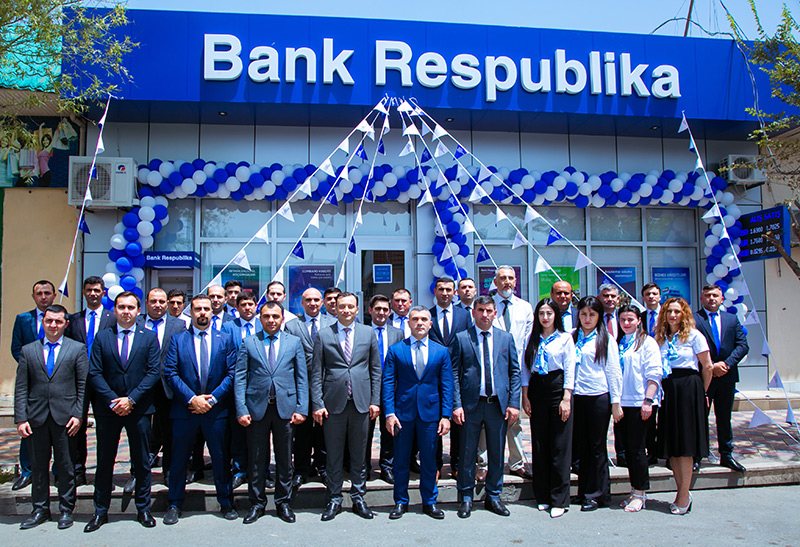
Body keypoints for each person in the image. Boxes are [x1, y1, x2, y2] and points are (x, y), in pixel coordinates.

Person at [85, 291, 161, 532]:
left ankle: (143, 509)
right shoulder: (102, 337)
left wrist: (131, 400)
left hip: (139, 409)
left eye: (130, 307)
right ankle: (100, 511)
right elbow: (95, 372)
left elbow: (153, 372)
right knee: (105, 460)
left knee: (141, 461)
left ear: (138, 311)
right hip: (108, 410)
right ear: (114, 310)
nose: (126, 311)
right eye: (121, 307)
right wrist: (113, 401)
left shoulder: (149, 337)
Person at [162, 294, 238, 524]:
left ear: (212, 312)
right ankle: (174, 504)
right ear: (191, 312)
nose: (203, 312)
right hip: (185, 411)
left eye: (206, 309)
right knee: (179, 460)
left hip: (216, 412)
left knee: (221, 459)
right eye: (198, 309)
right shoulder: (178, 340)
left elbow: (231, 373)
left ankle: (226, 502)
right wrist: (192, 399)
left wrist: (212, 400)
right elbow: (170, 373)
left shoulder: (225, 339)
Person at [14, 304, 88, 530]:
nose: (53, 325)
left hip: (66, 418)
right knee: (38, 467)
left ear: (66, 324)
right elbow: (21, 387)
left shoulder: (77, 349)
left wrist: (78, 415)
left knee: (65, 466)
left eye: (58, 321)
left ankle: (66, 509)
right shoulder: (29, 350)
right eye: (49, 321)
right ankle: (40, 509)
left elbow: (83, 385)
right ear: (43, 322)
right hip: (36, 418)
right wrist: (21, 418)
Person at [310, 292, 381, 521]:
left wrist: (375, 401)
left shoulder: (368, 333)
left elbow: (375, 369)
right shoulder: (324, 334)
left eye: (351, 306)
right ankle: (334, 498)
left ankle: (359, 497)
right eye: (342, 306)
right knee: (333, 454)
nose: (346, 310)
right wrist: (317, 403)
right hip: (333, 404)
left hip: (361, 404)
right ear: (335, 308)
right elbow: (317, 372)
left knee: (360, 454)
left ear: (357, 309)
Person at [235, 301, 308, 524]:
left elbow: (301, 377)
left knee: (285, 458)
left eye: (275, 316)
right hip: (256, 409)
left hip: (286, 408)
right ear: (260, 318)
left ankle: (283, 502)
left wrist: (302, 408)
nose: (271, 320)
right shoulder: (249, 342)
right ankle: (257, 503)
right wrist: (241, 408)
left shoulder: (294, 342)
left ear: (282, 318)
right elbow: (240, 377)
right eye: (266, 316)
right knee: (257, 458)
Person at [451, 296, 521, 519]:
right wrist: (456, 405)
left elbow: (515, 372)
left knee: (497, 452)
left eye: (489, 311)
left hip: (497, 406)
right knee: (467, 452)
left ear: (495, 313)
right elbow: (454, 373)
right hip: (470, 406)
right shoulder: (462, 338)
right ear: (473, 313)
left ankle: (493, 496)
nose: (484, 315)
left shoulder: (505, 338)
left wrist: (514, 404)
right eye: (480, 310)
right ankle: (466, 496)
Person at [383, 306, 453, 519]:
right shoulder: (396, 350)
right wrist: (389, 413)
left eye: (424, 319)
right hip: (402, 414)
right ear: (409, 323)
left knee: (429, 460)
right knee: (401, 460)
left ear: (430, 324)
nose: (419, 323)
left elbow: (447, 385)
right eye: (415, 319)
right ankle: (400, 502)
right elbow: (388, 383)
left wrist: (446, 415)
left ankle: (429, 502)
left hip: (431, 414)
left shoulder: (441, 351)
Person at [655, 297, 713, 515]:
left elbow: (707, 366)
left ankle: (684, 495)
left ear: (684, 314)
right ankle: (681, 491)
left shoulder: (694, 336)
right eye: (669, 311)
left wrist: (701, 392)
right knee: (672, 444)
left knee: (686, 444)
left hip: (688, 388)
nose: (673, 315)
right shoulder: (661, 337)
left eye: (677, 312)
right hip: (668, 390)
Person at [521, 298, 576, 518]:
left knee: (559, 445)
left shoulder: (564, 338)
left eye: (549, 313)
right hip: (537, 389)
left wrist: (566, 397)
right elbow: (525, 368)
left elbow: (570, 368)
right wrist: (525, 396)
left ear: (556, 315)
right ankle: (542, 495)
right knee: (540, 443)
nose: (545, 317)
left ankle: (559, 499)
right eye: (541, 313)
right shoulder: (531, 338)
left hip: (557, 388)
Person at [571, 296, 622, 511]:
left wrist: (616, 402)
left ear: (599, 316)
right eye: (583, 314)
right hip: (577, 396)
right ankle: (584, 491)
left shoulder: (606, 339)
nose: (587, 318)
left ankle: (598, 493)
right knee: (581, 447)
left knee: (596, 447)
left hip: (598, 396)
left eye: (592, 315)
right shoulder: (573, 336)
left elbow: (613, 371)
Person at [65, 276, 115, 486]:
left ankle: (105, 475)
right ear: (84, 293)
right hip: (79, 382)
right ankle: (78, 471)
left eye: (96, 290)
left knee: (106, 429)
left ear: (103, 293)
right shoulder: (74, 320)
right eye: (89, 290)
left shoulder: (113, 319)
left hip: (104, 381)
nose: (93, 293)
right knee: (77, 427)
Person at [694, 285, 749, 473]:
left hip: (726, 376)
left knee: (724, 417)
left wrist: (725, 364)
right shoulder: (694, 319)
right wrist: (711, 366)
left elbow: (742, 345)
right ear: (701, 299)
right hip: (703, 376)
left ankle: (726, 455)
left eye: (715, 295)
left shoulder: (731, 319)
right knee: (700, 417)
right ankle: (698, 456)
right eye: (707, 295)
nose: (711, 298)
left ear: (721, 299)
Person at [136, 288, 186, 486]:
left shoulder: (179, 325)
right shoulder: (137, 322)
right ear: (146, 303)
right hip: (140, 386)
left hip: (167, 387)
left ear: (166, 304)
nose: (157, 305)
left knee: (169, 432)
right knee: (139, 432)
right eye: (153, 301)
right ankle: (138, 473)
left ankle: (169, 471)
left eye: (161, 301)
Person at [285, 287, 335, 486]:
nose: (312, 303)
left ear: (322, 302)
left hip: (327, 385)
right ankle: (301, 469)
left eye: (316, 300)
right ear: (301, 303)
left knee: (325, 429)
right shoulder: (291, 326)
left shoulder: (332, 323)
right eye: (308, 300)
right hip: (301, 385)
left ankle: (323, 467)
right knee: (302, 431)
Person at [487, 266, 532, 480]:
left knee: (514, 418)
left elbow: (528, 341)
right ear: (495, 281)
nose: (507, 281)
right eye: (502, 278)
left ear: (515, 281)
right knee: (486, 420)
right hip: (490, 370)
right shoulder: (486, 305)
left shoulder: (525, 307)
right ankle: (484, 464)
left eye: (510, 278)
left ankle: (516, 462)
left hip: (515, 370)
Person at [10, 280, 56, 491]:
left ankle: (58, 472)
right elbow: (16, 348)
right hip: (32, 381)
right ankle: (27, 471)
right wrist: (33, 367)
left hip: (58, 381)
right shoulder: (23, 319)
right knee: (29, 427)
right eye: (39, 293)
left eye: (47, 293)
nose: (43, 297)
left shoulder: (62, 318)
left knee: (59, 428)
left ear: (53, 295)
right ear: (33, 296)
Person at [616, 304, 662, 512]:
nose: (626, 323)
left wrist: (648, 400)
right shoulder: (620, 342)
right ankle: (633, 490)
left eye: (630, 319)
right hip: (622, 404)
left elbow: (654, 373)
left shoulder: (647, 342)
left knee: (637, 450)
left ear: (639, 321)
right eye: (623, 319)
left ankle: (640, 493)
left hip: (639, 403)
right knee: (627, 450)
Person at [220, 291, 263, 489]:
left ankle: (261, 471)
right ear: (236, 308)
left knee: (261, 432)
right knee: (238, 431)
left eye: (250, 304)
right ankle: (239, 470)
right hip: (236, 385)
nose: (247, 308)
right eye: (243, 305)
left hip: (260, 386)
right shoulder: (228, 327)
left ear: (256, 307)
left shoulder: (264, 324)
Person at [428, 276, 470, 475]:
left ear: (455, 293)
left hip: (459, 375)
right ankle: (435, 465)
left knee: (459, 421)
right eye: (441, 289)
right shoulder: (427, 315)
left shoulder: (465, 316)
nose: (445, 293)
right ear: (435, 291)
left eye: (448, 290)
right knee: (435, 422)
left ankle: (457, 464)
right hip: (433, 377)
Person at [366, 294, 404, 483]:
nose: (381, 313)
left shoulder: (398, 333)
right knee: (365, 431)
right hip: (367, 389)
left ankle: (387, 466)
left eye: (385, 309)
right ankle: (364, 466)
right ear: (370, 310)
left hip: (391, 388)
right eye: (377, 309)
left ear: (390, 312)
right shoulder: (363, 331)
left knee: (389, 429)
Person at [639, 282, 662, 465]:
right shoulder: (641, 317)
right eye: (648, 294)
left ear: (659, 296)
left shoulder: (669, 315)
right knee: (649, 415)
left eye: (654, 293)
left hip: (668, 370)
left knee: (667, 415)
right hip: (647, 369)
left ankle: (667, 451)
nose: (651, 297)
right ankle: (651, 451)